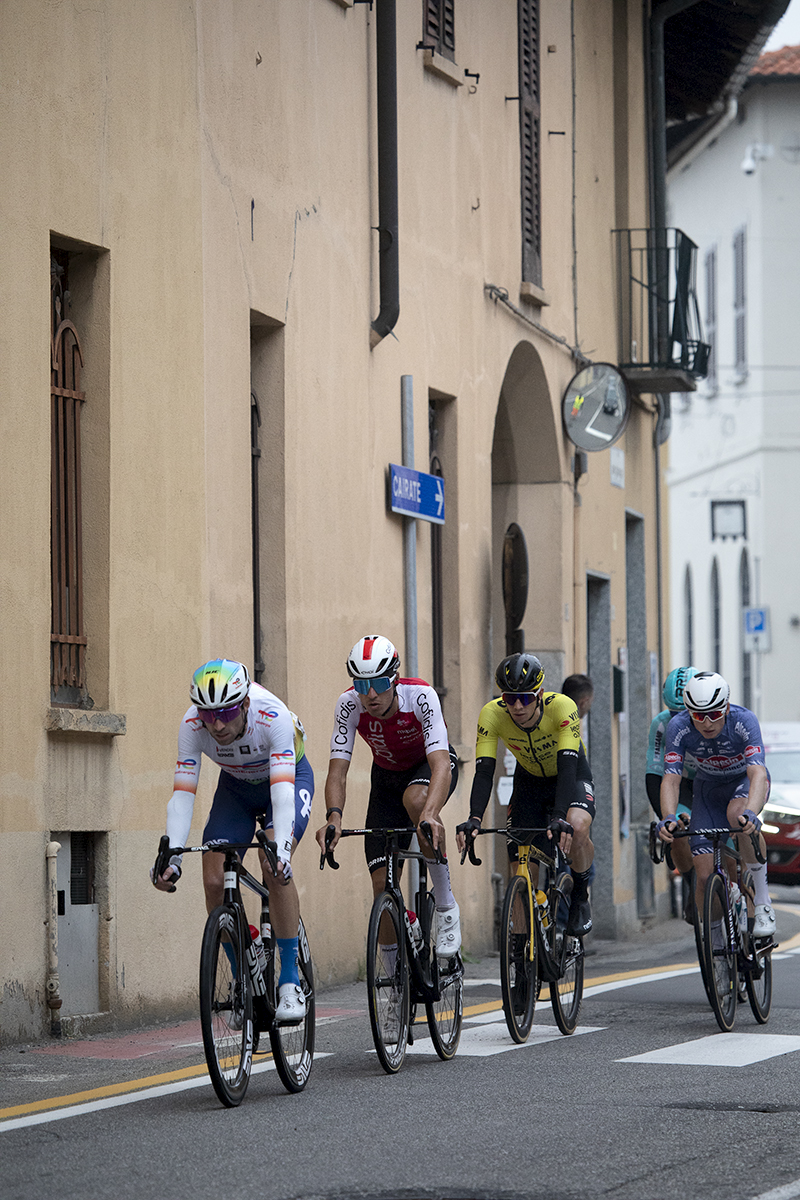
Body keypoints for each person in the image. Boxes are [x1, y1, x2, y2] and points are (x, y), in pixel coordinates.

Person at [152, 658, 314, 1023]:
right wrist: (172, 856)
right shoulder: (193, 725)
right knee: (212, 879)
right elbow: (182, 794)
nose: (218, 724)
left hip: (285, 782)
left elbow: (284, 796)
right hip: (236, 790)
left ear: (244, 704)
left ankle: (289, 982)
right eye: (209, 715)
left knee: (273, 867)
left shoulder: (273, 716)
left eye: (225, 712)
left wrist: (283, 850)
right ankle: (244, 978)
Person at [316, 635, 461, 957]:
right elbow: (337, 771)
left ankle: (446, 906)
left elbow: (440, 764)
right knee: (381, 885)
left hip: (430, 767)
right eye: (361, 683)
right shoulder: (349, 703)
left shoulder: (420, 695)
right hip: (386, 778)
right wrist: (334, 817)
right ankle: (394, 987)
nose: (369, 694)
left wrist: (429, 814)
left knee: (417, 801)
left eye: (379, 683)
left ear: (394, 678)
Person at [459, 653, 596, 936]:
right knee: (520, 869)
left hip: (569, 775)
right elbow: (484, 771)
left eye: (526, 698)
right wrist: (474, 817)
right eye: (510, 699)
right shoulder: (492, 714)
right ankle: (522, 952)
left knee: (577, 826)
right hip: (529, 783)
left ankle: (580, 897)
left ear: (540, 694)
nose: (518, 706)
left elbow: (568, 767)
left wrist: (560, 816)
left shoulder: (563, 707)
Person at [656, 671, 775, 938]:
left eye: (714, 713)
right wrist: (668, 816)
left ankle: (764, 902)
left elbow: (757, 773)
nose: (707, 722)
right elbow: (672, 779)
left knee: (738, 816)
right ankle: (716, 944)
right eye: (699, 715)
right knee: (704, 875)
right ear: (688, 713)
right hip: (708, 789)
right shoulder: (679, 727)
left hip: (744, 782)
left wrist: (751, 813)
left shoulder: (744, 721)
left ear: (727, 707)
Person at [646, 666, 699, 920]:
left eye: (686, 713)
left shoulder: (713, 716)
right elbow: (654, 776)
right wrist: (666, 819)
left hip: (713, 782)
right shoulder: (662, 724)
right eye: (674, 712)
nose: (679, 719)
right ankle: (693, 883)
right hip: (681, 785)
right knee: (678, 829)